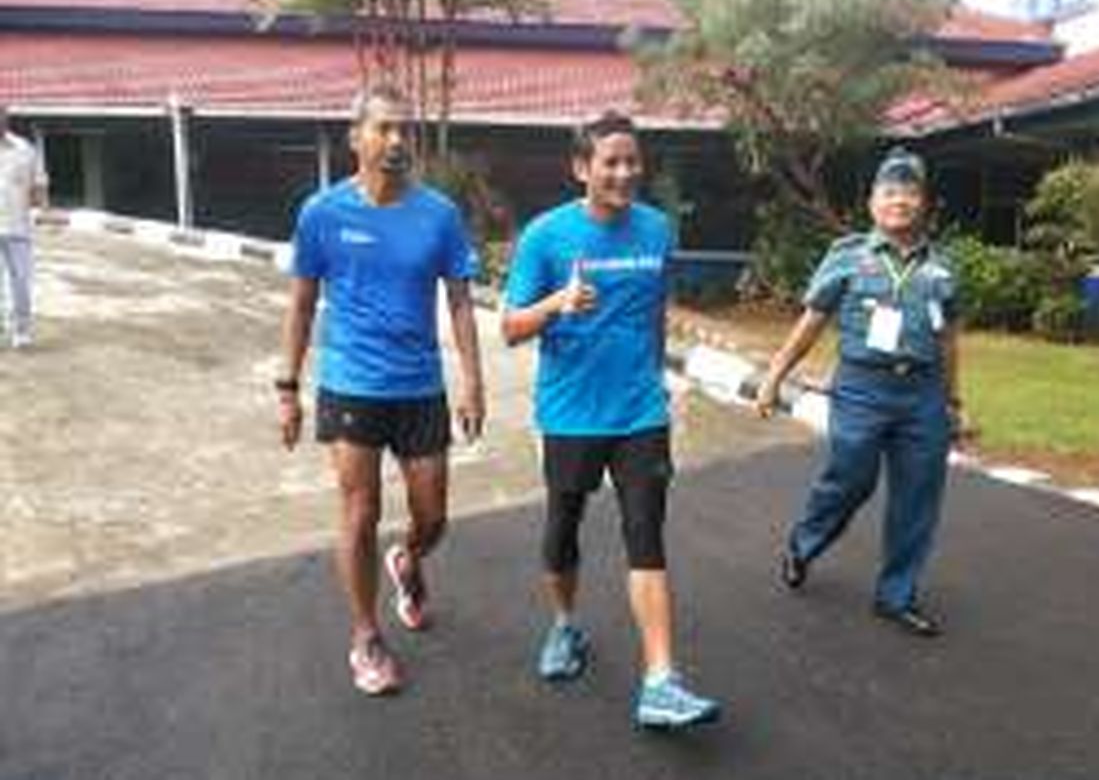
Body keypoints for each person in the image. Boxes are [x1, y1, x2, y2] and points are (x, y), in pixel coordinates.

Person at [501, 111, 720, 729]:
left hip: (639, 411)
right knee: (562, 531)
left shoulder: (657, 229)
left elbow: (654, 312)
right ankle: (565, 626)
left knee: (645, 533)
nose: (625, 173)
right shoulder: (547, 237)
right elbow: (511, 328)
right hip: (570, 412)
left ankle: (660, 681)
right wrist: (556, 304)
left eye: (632, 161)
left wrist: (656, 381)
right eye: (611, 162)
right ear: (582, 169)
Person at [278, 85, 486, 695]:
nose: (396, 142)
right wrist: (287, 387)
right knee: (359, 510)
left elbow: (461, 301)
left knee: (434, 516)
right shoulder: (322, 213)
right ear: (355, 137)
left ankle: (409, 559)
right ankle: (366, 634)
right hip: (351, 383)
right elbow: (300, 303)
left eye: (404, 131)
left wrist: (472, 381)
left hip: (420, 385)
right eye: (384, 129)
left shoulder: (439, 215)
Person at [755, 147, 963, 638]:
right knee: (851, 476)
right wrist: (774, 375)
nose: (900, 201)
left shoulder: (943, 268)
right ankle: (803, 544)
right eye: (890, 192)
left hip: (922, 394)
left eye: (910, 193)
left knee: (919, 497)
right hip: (862, 390)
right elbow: (812, 322)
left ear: (923, 203)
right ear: (872, 202)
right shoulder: (848, 256)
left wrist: (953, 400)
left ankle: (897, 595)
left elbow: (949, 337)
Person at [0, 105, 49, 350]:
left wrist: (43, 211)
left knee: (21, 283)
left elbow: (39, 183)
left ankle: (21, 330)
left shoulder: (24, 149)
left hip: (18, 227)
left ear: (5, 119)